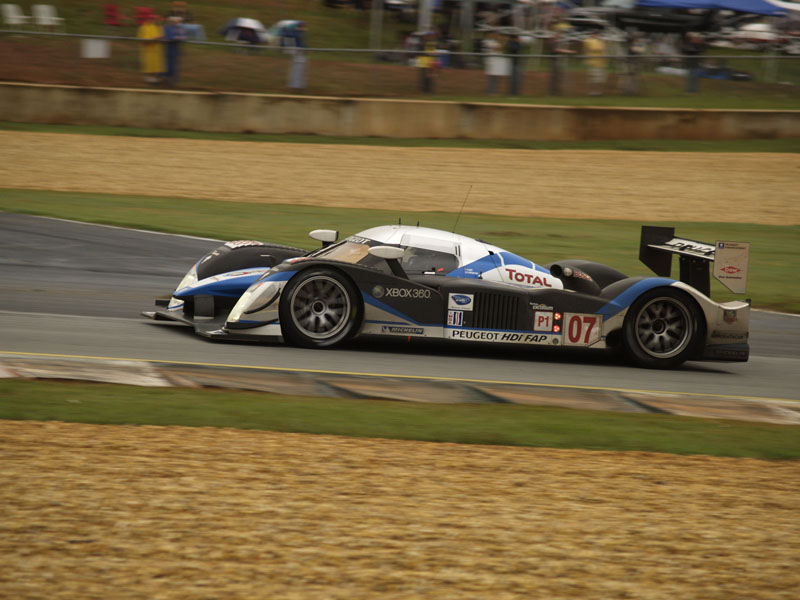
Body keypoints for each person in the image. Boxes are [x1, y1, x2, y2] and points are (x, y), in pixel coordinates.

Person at [545, 27, 574, 96]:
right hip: (554, 61)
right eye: (559, 34)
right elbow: (557, 50)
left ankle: (555, 91)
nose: (560, 36)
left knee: (557, 76)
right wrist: (568, 51)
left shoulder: (556, 42)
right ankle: (552, 92)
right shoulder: (553, 42)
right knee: (554, 77)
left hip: (557, 61)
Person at [137, 13, 165, 84]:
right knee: (148, 63)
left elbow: (162, 37)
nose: (153, 20)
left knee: (155, 64)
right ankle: (147, 77)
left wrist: (160, 34)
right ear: (147, 19)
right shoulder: (144, 27)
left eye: (154, 19)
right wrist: (155, 38)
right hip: (148, 50)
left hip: (156, 49)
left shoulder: (156, 27)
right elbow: (144, 40)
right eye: (151, 19)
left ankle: (154, 77)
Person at [163, 15, 186, 86]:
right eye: (174, 21)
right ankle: (169, 78)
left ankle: (174, 79)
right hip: (170, 48)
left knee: (175, 65)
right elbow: (169, 37)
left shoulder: (179, 28)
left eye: (177, 22)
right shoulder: (167, 27)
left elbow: (184, 37)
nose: (175, 23)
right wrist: (176, 37)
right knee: (170, 65)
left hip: (176, 48)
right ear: (170, 22)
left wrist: (179, 37)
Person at [284, 21, 308, 91]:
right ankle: (295, 85)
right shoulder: (295, 32)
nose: (303, 28)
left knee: (299, 68)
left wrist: (306, 48)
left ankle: (297, 84)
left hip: (300, 52)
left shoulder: (300, 33)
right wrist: (285, 29)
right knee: (297, 68)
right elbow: (289, 35)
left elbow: (303, 43)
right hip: (298, 52)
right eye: (302, 26)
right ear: (299, 26)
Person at [583, 30, 608, 96]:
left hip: (600, 63)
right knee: (592, 78)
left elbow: (603, 49)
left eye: (597, 34)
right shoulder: (589, 40)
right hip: (592, 63)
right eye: (595, 34)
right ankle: (592, 91)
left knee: (599, 79)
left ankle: (598, 91)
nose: (597, 35)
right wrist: (600, 43)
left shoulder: (600, 41)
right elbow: (596, 49)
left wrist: (600, 43)